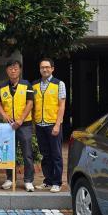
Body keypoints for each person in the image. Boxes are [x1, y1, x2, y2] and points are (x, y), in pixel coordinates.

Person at [0, 59, 35, 192]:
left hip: (24, 125)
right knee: (8, 153)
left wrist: (21, 119)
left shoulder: (26, 85)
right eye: (10, 68)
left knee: (27, 154)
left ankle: (28, 180)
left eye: (16, 68)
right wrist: (4, 115)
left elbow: (30, 103)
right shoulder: (2, 87)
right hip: (8, 126)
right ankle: (10, 179)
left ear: (20, 70)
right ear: (7, 70)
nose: (13, 71)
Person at [32, 58, 66, 193]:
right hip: (40, 125)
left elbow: (62, 105)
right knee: (45, 155)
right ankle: (48, 181)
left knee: (56, 155)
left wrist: (58, 124)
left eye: (47, 67)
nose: (44, 69)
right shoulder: (35, 85)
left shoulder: (59, 84)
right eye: (42, 67)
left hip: (53, 124)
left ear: (52, 69)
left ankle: (57, 182)